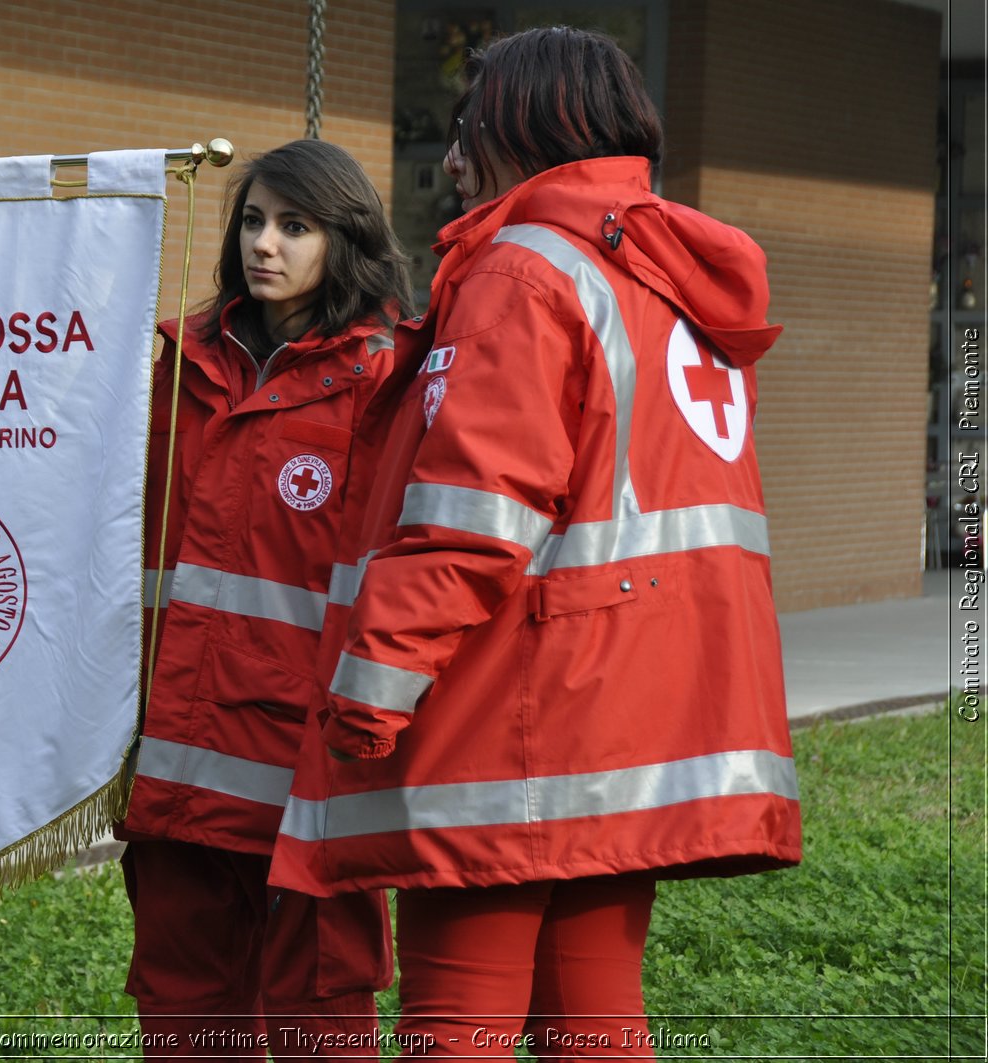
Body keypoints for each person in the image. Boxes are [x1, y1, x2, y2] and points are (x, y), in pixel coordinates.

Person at [268, 27, 803, 1059]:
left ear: (523, 126)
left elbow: (478, 507)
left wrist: (369, 687)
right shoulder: (664, 274)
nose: (457, 159)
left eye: (469, 131)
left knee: (452, 1022)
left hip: (517, 710)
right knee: (594, 1013)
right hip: (643, 705)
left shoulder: (521, 269)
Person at [120, 138, 414, 1059]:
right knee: (182, 1009)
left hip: (308, 769)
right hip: (178, 760)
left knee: (317, 1017)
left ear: (347, 240)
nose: (266, 245)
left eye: (295, 226)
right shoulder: (177, 365)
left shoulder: (385, 383)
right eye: (253, 221)